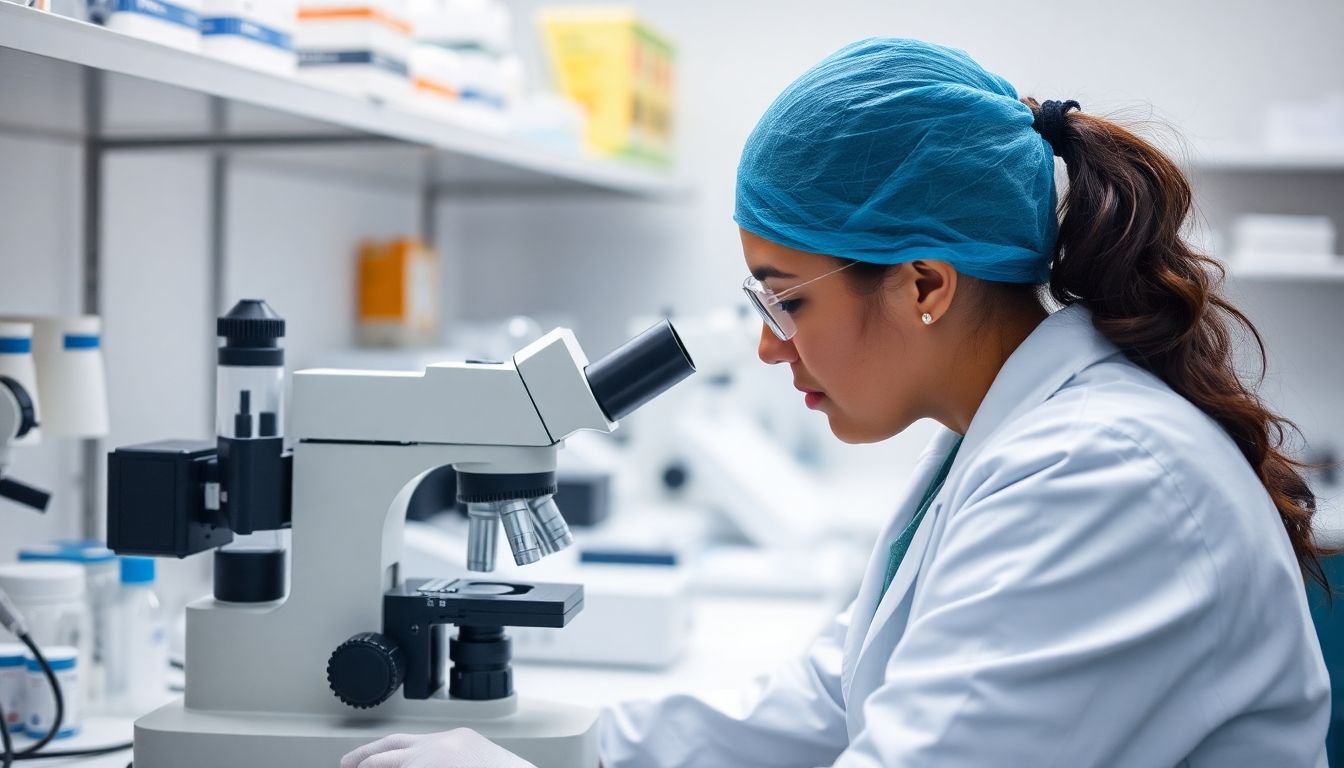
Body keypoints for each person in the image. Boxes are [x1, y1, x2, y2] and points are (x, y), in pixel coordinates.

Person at [342, 37, 1332, 768]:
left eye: (787, 298)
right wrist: (577, 752)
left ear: (926, 286)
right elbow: (833, 698)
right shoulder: (1016, 442)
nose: (770, 344)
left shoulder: (1104, 477)